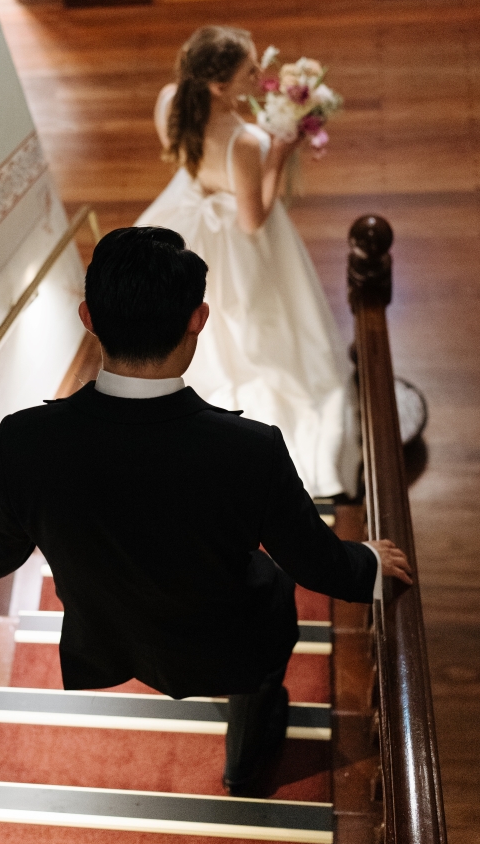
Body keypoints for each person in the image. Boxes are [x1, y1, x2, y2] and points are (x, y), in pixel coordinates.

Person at [0, 227, 411, 794]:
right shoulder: (250, 450)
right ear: (199, 318)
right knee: (268, 620)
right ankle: (244, 765)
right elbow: (315, 561)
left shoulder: (25, 442)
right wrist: (371, 566)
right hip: (229, 642)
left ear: (88, 317)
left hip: (112, 638)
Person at [137, 25, 359, 498]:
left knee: (214, 320)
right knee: (265, 319)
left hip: (191, 212)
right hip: (234, 236)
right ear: (219, 86)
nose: (262, 75)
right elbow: (253, 220)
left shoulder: (169, 99)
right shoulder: (243, 141)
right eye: (250, 70)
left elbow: (186, 162)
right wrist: (280, 151)